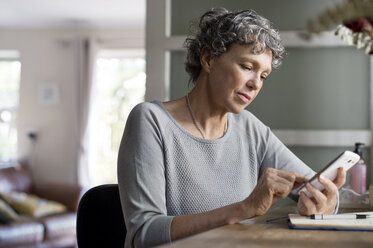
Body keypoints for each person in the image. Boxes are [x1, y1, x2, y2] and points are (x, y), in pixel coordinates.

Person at [117, 8, 346, 248]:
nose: (255, 83)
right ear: (208, 59)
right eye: (247, 66)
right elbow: (143, 234)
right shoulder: (151, 121)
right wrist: (244, 209)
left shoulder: (250, 128)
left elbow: (312, 186)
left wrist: (326, 201)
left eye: (264, 75)